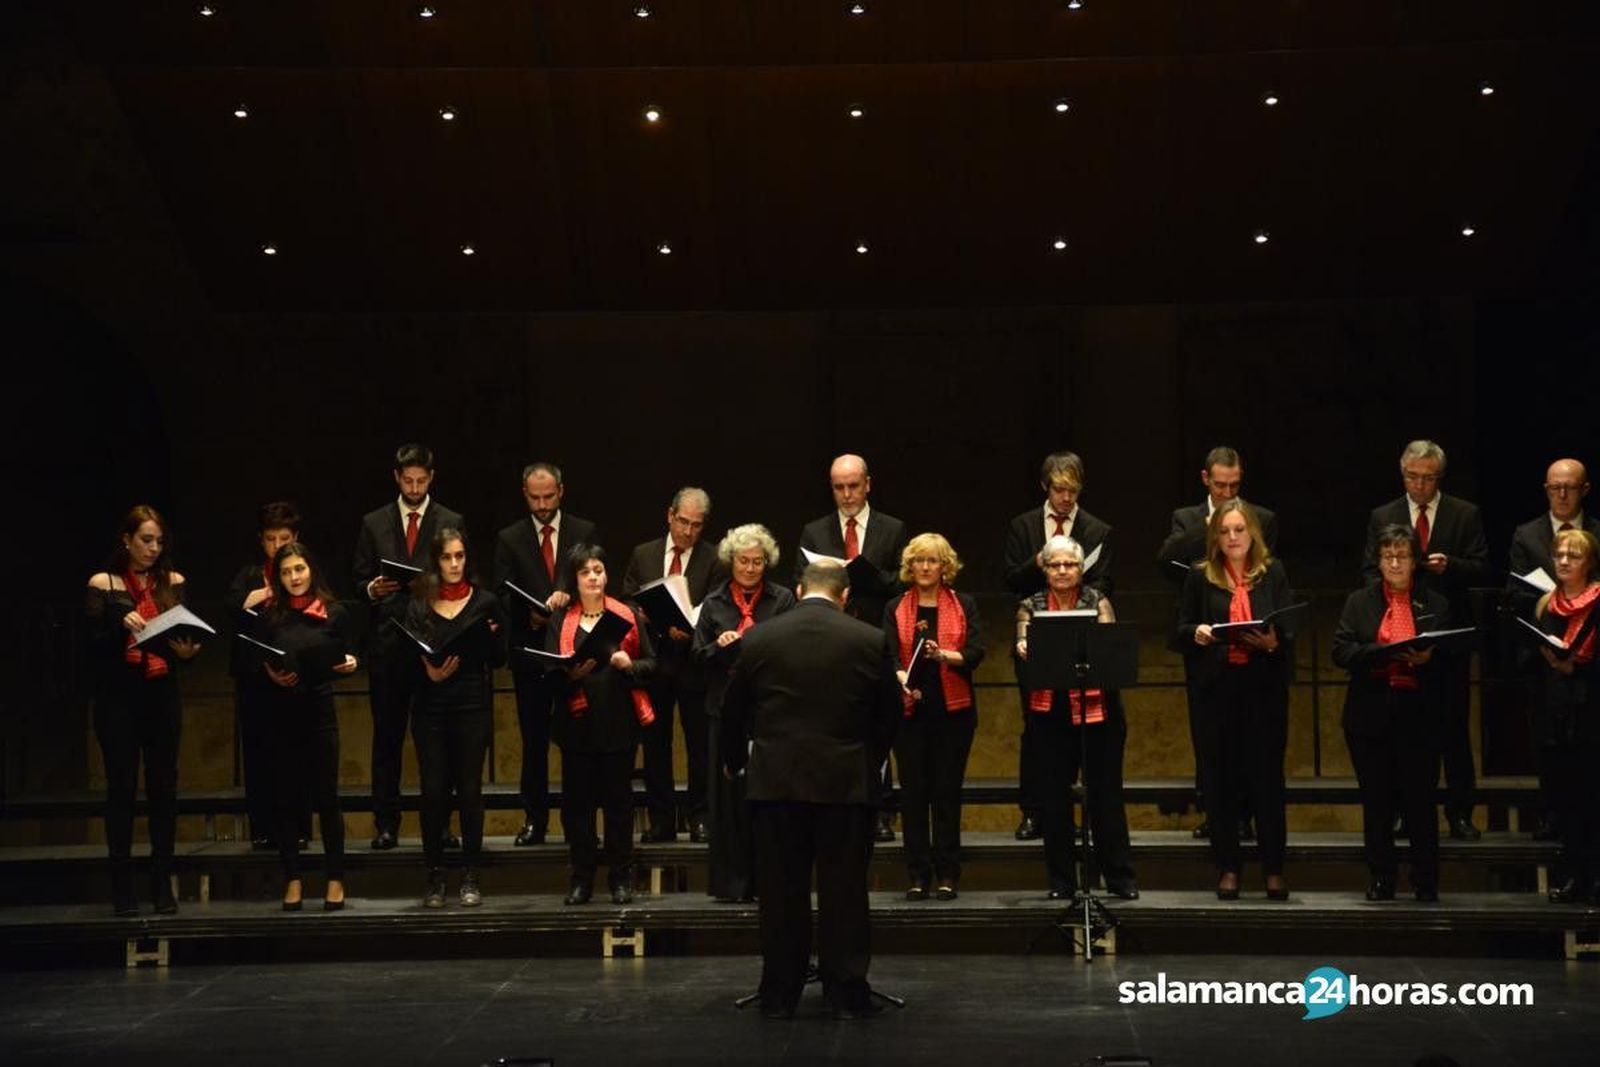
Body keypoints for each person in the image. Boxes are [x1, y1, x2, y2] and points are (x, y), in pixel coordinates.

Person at [721, 561, 901, 1020]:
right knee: (844, 892)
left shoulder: (759, 637)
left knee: (781, 893)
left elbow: (733, 709)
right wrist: (868, 759)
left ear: (799, 591)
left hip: (776, 782)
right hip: (844, 782)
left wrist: (736, 763)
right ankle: (847, 992)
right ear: (844, 597)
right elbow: (889, 715)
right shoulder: (868, 639)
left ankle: (780, 994)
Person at [1362, 440, 1489, 840]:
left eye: (1428, 478)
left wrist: (1450, 566)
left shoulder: (1463, 513)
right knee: (1400, 729)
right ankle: (1402, 810)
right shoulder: (1384, 515)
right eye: (1413, 477)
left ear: (1440, 477)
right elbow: (1368, 570)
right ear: (1403, 475)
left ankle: (1460, 812)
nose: (1420, 485)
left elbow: (1483, 567)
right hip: (1399, 633)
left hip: (1446, 636)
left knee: (1452, 725)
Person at [1175, 499, 1296, 901]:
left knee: (1266, 781)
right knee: (1220, 782)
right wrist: (1198, 632)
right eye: (1225, 532)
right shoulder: (1200, 577)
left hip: (1262, 692)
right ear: (1215, 537)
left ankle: (1273, 869)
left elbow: (1291, 626)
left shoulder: (1272, 572)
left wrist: (1274, 641)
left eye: (1239, 530)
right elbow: (1179, 630)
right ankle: (1228, 867)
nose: (1232, 538)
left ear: (1252, 534)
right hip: (1216, 693)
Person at [1155, 446, 1278, 842]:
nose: (1228, 493)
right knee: (1208, 735)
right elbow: (1167, 560)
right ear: (1206, 480)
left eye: (1235, 485)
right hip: (1207, 644)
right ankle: (1214, 812)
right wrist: (1211, 524)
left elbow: (1268, 571)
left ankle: (1246, 815)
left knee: (1250, 738)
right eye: (1221, 485)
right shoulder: (1186, 518)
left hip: (1251, 643)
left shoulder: (1260, 519)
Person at [84, 506, 201, 916]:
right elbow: (91, 649)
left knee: (163, 789)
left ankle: (161, 884)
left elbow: (182, 636)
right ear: (127, 540)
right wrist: (120, 625)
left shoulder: (173, 581)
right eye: (145, 540)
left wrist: (186, 652)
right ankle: (122, 886)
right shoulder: (105, 583)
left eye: (158, 541)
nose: (153, 548)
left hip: (161, 693)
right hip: (118, 697)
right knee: (121, 788)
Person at [352, 443, 466, 851]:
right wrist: (372, 587)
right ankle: (386, 823)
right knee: (387, 737)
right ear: (397, 478)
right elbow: (358, 578)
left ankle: (442, 825)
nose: (415, 487)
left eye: (422, 480)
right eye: (408, 480)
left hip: (434, 638)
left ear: (431, 478)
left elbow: (461, 575)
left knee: (438, 740)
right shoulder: (374, 522)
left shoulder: (449, 520)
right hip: (388, 643)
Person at [1014, 536, 1138, 901]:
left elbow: (1110, 644)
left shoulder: (1097, 600)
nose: (1063, 571)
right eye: (1055, 565)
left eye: (1070, 564)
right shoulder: (1030, 604)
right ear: (1045, 569)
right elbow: (1023, 637)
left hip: (1099, 715)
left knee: (1106, 797)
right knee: (1053, 799)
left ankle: (1119, 877)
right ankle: (1062, 880)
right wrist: (1024, 645)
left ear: (1081, 569)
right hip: (1050, 715)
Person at [1332, 524, 1450, 903]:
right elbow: (1342, 651)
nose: (1395, 563)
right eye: (1387, 556)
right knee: (1377, 801)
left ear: (1415, 561)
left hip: (1421, 714)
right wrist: (1380, 652)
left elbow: (1454, 654)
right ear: (1378, 561)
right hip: (1371, 714)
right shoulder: (1360, 602)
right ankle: (1382, 877)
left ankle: (1425, 879)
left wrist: (1428, 658)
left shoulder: (1435, 603)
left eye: (1402, 556)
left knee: (1420, 800)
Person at [794, 453, 907, 842]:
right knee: (835, 722)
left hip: (875, 635)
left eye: (853, 486)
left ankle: (881, 809)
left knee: (877, 723)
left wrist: (868, 576)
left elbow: (902, 583)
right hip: (828, 642)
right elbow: (803, 582)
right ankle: (837, 804)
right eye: (839, 487)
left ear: (868, 484)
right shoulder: (815, 531)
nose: (846, 494)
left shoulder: (892, 529)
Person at [1002, 450, 1113, 841]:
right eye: (1060, 489)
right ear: (1045, 487)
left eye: (1073, 490)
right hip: (1035, 637)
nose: (1066, 498)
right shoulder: (1024, 526)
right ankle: (1034, 811)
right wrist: (1039, 562)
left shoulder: (1096, 529)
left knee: (1087, 730)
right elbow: (1011, 579)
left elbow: (1105, 584)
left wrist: (1073, 574)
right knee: (1037, 728)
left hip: (1081, 640)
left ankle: (1090, 817)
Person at [493, 462, 599, 847]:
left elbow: (595, 577)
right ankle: (534, 819)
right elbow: (501, 592)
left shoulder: (582, 531)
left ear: (561, 492)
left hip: (573, 652)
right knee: (533, 741)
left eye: (548, 497)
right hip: (532, 652)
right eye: (535, 498)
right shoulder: (510, 537)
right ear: (525, 495)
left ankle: (578, 822)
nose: (542, 505)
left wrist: (569, 597)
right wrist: (529, 612)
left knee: (576, 742)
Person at [546, 544, 656, 905]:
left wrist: (629, 665)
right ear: (574, 580)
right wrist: (569, 674)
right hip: (576, 726)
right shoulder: (562, 620)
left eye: (598, 569)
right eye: (585, 572)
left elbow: (652, 666)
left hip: (618, 725)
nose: (593, 577)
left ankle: (620, 879)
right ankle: (582, 879)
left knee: (618, 807)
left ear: (606, 575)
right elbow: (548, 675)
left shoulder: (626, 615)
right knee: (578, 809)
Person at [691, 524, 795, 902]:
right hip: (725, 710)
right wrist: (720, 646)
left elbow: (791, 648)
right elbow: (697, 656)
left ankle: (770, 881)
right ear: (730, 561)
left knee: (769, 800)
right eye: (744, 561)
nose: (751, 569)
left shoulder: (782, 599)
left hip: (769, 712)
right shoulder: (714, 601)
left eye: (758, 562)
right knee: (728, 800)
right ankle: (731, 884)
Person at [403, 529, 507, 909]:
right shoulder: (418, 604)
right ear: (436, 560)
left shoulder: (485, 602)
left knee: (469, 790)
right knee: (432, 791)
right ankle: (434, 876)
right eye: (447, 557)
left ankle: (470, 875)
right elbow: (405, 657)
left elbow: (499, 658)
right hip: (430, 706)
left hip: (471, 704)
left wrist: (492, 638)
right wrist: (426, 673)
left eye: (460, 556)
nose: (454, 564)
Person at [255, 542, 359, 911]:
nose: (294, 577)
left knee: (327, 799)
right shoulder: (269, 615)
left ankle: (335, 880)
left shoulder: (333, 612)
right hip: (281, 714)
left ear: (311, 569)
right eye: (286, 572)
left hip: (319, 713)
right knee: (285, 800)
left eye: (299, 569)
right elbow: (255, 658)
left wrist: (350, 664)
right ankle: (293, 880)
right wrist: (269, 672)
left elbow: (349, 654)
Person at [622, 487, 727, 843]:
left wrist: (692, 628)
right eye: (683, 522)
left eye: (697, 525)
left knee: (699, 745)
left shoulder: (714, 559)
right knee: (655, 744)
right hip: (654, 661)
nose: (688, 531)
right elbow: (628, 599)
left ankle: (700, 817)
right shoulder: (644, 553)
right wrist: (647, 617)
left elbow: (715, 607)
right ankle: (662, 820)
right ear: (670, 515)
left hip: (694, 664)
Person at [884, 533, 985, 901]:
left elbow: (975, 652)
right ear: (910, 567)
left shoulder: (964, 604)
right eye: (919, 561)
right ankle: (916, 873)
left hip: (953, 713)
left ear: (946, 567)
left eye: (933, 561)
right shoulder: (895, 607)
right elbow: (889, 655)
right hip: (909, 713)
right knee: (913, 795)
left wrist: (945, 655)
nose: (925, 567)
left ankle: (947, 873)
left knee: (946, 794)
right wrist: (902, 680)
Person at [1505, 459, 1595, 840]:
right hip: (1545, 658)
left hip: (1590, 663)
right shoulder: (1527, 536)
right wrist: (1545, 643)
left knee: (1588, 755)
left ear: (1584, 490)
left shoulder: (1598, 534)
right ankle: (1553, 816)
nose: (1561, 494)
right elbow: (1517, 596)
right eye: (1554, 487)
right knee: (1550, 747)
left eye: (1569, 487)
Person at [226, 500, 309, 852]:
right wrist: (255, 597)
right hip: (258, 680)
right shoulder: (249, 576)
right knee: (259, 753)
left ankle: (300, 828)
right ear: (262, 540)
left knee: (298, 754)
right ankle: (263, 828)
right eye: (271, 539)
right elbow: (233, 619)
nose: (277, 546)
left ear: (296, 538)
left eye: (284, 538)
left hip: (294, 679)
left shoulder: (303, 573)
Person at [1532, 529, 1600, 904]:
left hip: (1592, 708)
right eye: (1559, 555)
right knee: (1567, 798)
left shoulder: (1598, 600)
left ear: (1588, 563)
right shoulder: (1546, 605)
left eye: (1572, 556)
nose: (1563, 562)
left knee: (1593, 796)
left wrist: (1579, 667)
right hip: (1557, 712)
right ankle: (1574, 874)